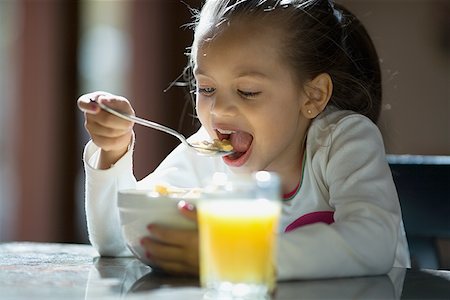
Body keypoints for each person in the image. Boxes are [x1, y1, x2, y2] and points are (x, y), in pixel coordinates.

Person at [78, 0, 410, 280]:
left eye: (247, 91)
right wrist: (113, 152)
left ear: (313, 95)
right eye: (206, 88)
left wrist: (235, 254)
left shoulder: (342, 140)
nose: (219, 109)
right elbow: (120, 242)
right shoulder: (205, 153)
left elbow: (374, 242)